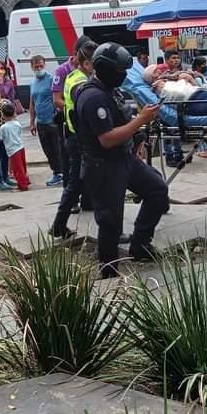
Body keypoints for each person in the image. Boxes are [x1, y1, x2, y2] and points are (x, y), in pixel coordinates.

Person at [75, 42, 169, 278]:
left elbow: (121, 121)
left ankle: (140, 244)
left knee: (157, 190)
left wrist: (137, 128)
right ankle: (108, 272)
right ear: (105, 69)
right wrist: (141, 120)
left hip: (124, 158)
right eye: (120, 71)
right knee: (110, 221)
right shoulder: (93, 97)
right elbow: (106, 139)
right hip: (103, 165)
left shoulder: (109, 90)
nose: (124, 75)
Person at [51, 41, 96, 239]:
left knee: (77, 181)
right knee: (75, 183)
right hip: (78, 138)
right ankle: (58, 225)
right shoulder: (80, 82)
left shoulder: (73, 76)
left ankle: (61, 223)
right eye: (95, 62)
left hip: (73, 135)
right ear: (86, 63)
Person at [29, 55, 63, 186]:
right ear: (31, 67)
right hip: (41, 122)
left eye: (41, 66)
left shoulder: (51, 80)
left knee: (57, 148)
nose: (39, 68)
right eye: (36, 66)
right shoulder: (32, 83)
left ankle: (62, 173)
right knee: (48, 150)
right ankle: (56, 172)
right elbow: (32, 103)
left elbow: (58, 97)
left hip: (52, 121)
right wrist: (32, 122)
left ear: (44, 65)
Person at [0, 101, 30, 191]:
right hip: (20, 147)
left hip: (12, 150)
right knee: (23, 167)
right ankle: (26, 180)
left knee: (17, 169)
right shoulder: (17, 124)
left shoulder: (3, 127)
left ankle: (22, 185)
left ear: (3, 115)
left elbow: (0, 138)